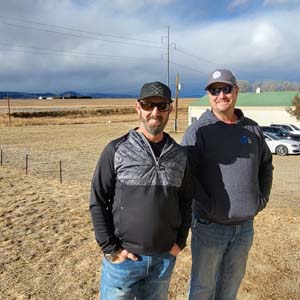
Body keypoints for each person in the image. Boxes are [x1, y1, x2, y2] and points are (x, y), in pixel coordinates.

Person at [90, 81, 192, 300]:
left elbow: (186, 202)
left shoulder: (179, 155)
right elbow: (98, 200)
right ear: (138, 107)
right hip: (124, 263)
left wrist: (180, 242)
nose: (155, 112)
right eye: (148, 105)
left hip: (163, 262)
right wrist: (110, 249)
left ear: (170, 109)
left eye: (162, 105)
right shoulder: (116, 149)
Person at [181, 69, 273, 300]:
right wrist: (208, 206)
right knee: (203, 288)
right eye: (214, 90)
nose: (221, 95)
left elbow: (266, 165)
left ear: (236, 92)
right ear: (209, 95)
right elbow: (185, 175)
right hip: (210, 228)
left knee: (230, 287)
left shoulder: (252, 129)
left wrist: (261, 199)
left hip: (244, 229)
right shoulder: (198, 131)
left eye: (226, 89)